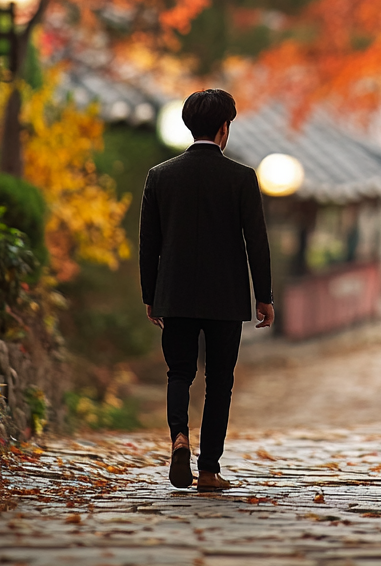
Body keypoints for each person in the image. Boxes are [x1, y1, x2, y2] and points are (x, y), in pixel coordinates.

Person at [139, 88, 274, 491]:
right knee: (220, 381)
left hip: (175, 294)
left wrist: (151, 296)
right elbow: (257, 241)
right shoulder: (242, 178)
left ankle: (179, 437)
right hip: (225, 298)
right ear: (223, 128)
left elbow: (150, 243)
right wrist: (263, 295)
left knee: (178, 373)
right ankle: (210, 469)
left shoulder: (160, 176)